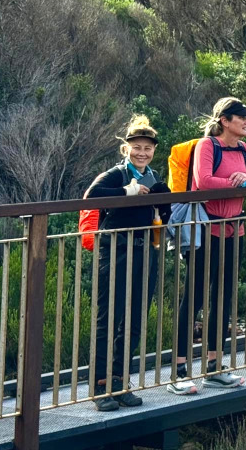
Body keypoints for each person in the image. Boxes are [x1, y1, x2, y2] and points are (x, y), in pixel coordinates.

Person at [169, 98, 246, 395]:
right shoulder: (208, 145)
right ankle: (178, 371)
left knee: (223, 297)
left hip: (234, 231)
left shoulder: (243, 149)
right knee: (194, 297)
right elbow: (203, 182)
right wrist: (241, 184)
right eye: (242, 118)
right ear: (225, 121)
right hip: (205, 231)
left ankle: (214, 368)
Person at [85, 115, 172, 411]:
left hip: (145, 251)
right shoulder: (117, 174)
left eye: (147, 148)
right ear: (126, 149)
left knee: (135, 318)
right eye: (137, 147)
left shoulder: (154, 176)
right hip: (116, 250)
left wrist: (165, 201)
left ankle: (120, 383)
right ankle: (99, 387)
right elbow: (91, 197)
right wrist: (127, 192)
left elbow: (163, 216)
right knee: (107, 317)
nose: (142, 152)